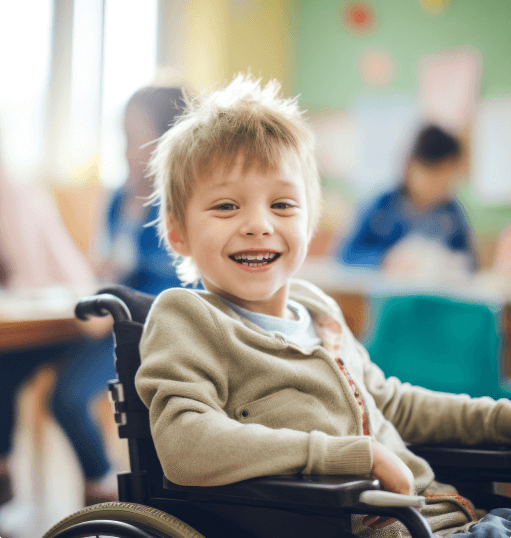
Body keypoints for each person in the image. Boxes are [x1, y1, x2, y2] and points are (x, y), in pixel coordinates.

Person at [133, 73, 511, 538]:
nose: (258, 224)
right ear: (177, 232)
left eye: (283, 205)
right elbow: (186, 443)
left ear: (310, 223)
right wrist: (354, 455)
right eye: (227, 206)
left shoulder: (318, 310)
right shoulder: (186, 317)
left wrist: (499, 418)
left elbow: (394, 403)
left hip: (454, 515)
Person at [0, 166, 117, 509]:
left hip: (96, 321)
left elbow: (72, 279)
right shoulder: (118, 202)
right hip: (62, 316)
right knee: (3, 369)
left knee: (67, 397)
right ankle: (3, 472)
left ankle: (104, 483)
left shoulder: (15, 194)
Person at [94, 86, 201, 296]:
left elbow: (183, 285)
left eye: (132, 139)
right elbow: (104, 263)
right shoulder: (119, 199)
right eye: (124, 139)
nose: (124, 151)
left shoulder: (181, 207)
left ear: (169, 144)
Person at [335, 125, 478, 276]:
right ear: (410, 166)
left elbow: (471, 263)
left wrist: (455, 265)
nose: (440, 186)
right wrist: (384, 261)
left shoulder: (451, 215)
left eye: (447, 179)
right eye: (433, 176)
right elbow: (344, 257)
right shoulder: (381, 208)